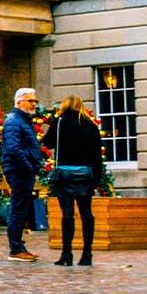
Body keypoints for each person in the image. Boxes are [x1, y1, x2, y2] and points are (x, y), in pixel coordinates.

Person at [41, 95, 104, 267]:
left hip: (65, 173)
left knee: (67, 214)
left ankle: (66, 253)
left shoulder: (60, 122)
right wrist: (96, 178)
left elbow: (47, 143)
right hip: (85, 173)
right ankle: (87, 253)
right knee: (86, 213)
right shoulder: (90, 125)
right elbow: (97, 155)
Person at [0, 87, 44, 262]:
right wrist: (28, 166)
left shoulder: (24, 121)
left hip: (24, 170)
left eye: (35, 101)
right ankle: (16, 248)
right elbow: (13, 149)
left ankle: (18, 246)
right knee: (18, 209)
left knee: (21, 208)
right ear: (19, 102)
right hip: (19, 171)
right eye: (30, 101)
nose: (34, 104)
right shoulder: (13, 121)